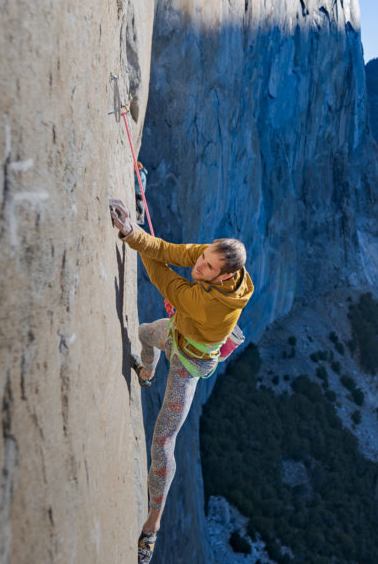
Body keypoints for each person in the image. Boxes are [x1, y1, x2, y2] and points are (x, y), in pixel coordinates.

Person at [108, 198, 254, 564]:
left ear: (223, 277)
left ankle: (152, 525)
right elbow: (172, 252)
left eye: (205, 267)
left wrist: (132, 234)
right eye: (202, 258)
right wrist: (134, 233)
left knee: (163, 443)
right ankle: (147, 373)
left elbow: (163, 278)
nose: (198, 265)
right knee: (143, 334)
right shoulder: (216, 260)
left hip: (188, 366)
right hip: (174, 334)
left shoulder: (215, 306)